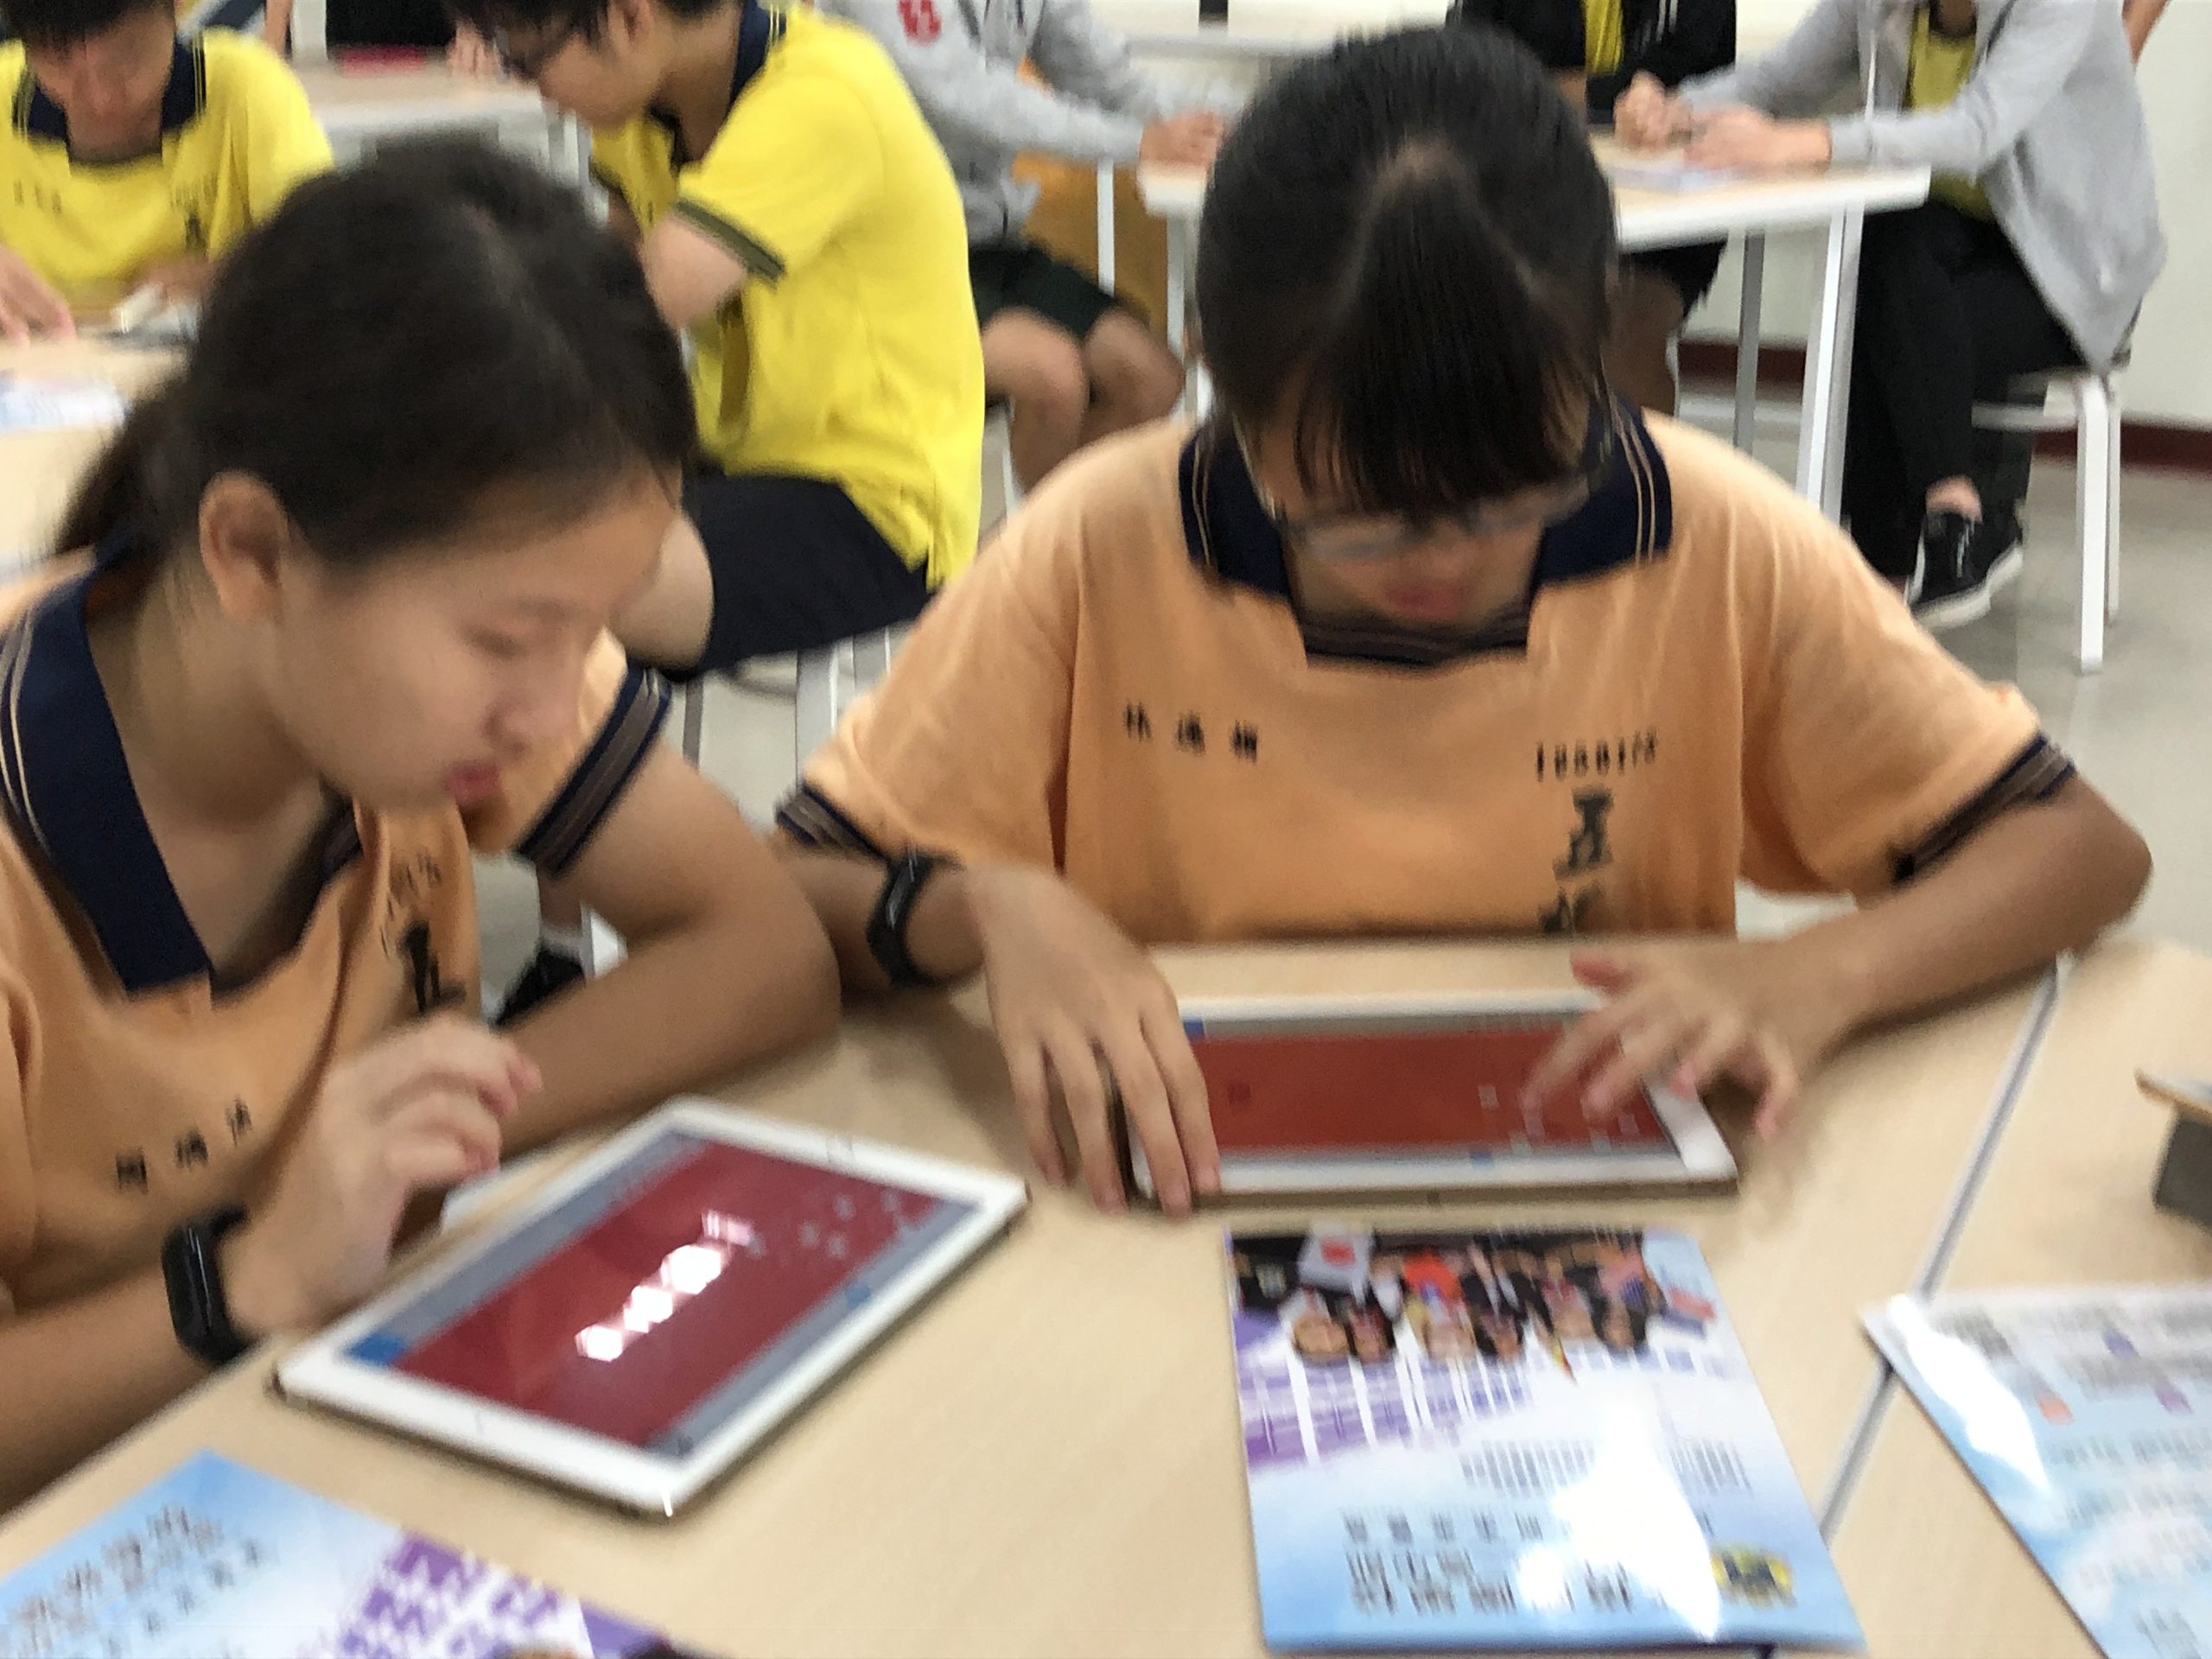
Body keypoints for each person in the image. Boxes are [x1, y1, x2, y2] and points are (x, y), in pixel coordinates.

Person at [772, 24, 2149, 1219]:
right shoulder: (1102, 544)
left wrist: (1816, 978)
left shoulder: (1709, 535)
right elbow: (798, 883)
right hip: (1179, 1174)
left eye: (1516, 493)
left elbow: (2076, 848)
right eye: (1353, 516)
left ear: (1601, 363)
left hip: (1596, 1174)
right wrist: (982, 908)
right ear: (1227, 402)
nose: (1443, 560)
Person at [0, 143, 839, 1508]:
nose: (550, 702)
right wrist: (251, 1277)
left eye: (589, 630)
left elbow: (763, 955)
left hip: (350, 1447)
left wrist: (419, 1142)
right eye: (509, 640)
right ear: (251, 553)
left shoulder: (443, 692)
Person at [446, 0, 985, 1017]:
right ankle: (571, 946)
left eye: (530, 57)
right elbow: (594, 306)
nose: (532, 89)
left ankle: (694, 919)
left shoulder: (823, 93)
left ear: (628, 19)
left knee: (564, 587)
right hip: (732, 464)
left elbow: (635, 305)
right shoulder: (646, 109)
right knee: (516, 551)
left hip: (875, 503)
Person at [1615, 0, 2164, 627]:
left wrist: (1811, 141)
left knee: (1891, 324)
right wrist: (1676, 108)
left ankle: (1892, 570)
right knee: (1888, 249)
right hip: (1949, 254)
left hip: (2070, 272)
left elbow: (1978, 129)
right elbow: (1780, 77)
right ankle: (1947, 524)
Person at [820, 0, 1225, 489]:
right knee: (1052, 378)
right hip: (882, 250)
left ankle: (1050, 532)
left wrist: (1234, 125)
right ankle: (1039, 539)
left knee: (1151, 378)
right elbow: (960, 94)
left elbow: (1113, 81)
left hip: (987, 237)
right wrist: (1138, 144)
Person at [1449, 0, 1737, 413]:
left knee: (1617, 328)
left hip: (1667, 205)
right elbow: (1471, 71)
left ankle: (1632, 457)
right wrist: (1611, 92)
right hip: (1534, 192)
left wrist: (1552, 89)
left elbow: (1691, 75)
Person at [0, 0, 330, 338]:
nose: (101, 99)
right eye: (59, 64)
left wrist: (232, 278)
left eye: (127, 63)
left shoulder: (245, 88)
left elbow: (330, 252)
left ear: (174, 9)